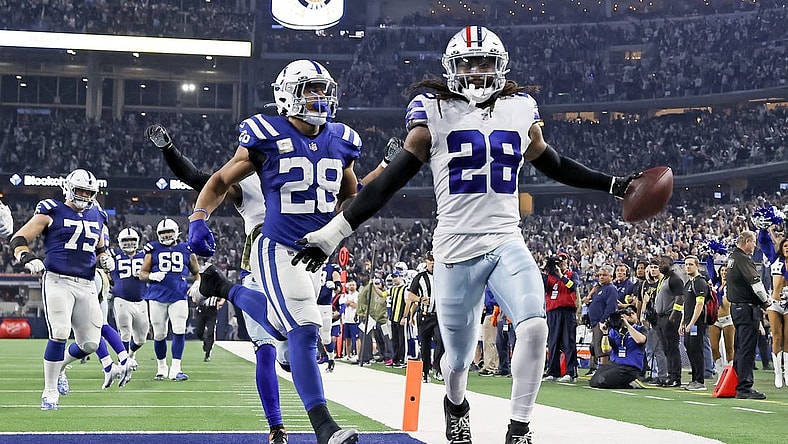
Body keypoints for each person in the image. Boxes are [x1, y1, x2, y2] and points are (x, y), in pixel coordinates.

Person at [291, 26, 645, 443]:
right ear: (452, 68)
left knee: (534, 328)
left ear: (500, 67)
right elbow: (389, 184)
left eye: (485, 63)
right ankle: (456, 404)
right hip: (455, 248)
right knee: (457, 361)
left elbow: (554, 163)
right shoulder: (432, 110)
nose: (477, 72)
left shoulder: (519, 108)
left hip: (504, 239)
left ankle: (519, 427)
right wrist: (333, 234)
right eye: (468, 63)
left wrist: (614, 184)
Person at [187, 59, 360, 444]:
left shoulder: (343, 139)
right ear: (286, 96)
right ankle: (324, 428)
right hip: (277, 245)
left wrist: (335, 232)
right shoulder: (264, 134)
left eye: (322, 88)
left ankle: (224, 287)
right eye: (309, 89)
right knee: (305, 328)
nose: (319, 97)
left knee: (284, 331)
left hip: (315, 251)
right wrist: (199, 217)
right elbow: (219, 179)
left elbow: (352, 196)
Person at [9, 168, 115, 410]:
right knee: (59, 331)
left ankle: (61, 368)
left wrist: (105, 257)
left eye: (89, 192)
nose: (84, 196)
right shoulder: (52, 210)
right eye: (80, 190)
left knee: (90, 343)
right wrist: (26, 257)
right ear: (68, 188)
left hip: (87, 283)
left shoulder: (98, 215)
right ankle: (49, 391)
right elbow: (19, 238)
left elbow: (100, 247)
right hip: (58, 280)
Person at [139, 217, 200, 382]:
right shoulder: (153, 249)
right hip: (157, 296)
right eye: (163, 233)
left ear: (177, 232)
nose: (166, 235)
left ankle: (176, 368)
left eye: (169, 232)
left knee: (179, 329)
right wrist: (151, 275)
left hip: (178, 295)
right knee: (159, 334)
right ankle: (161, 366)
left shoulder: (186, 248)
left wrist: (197, 283)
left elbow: (197, 272)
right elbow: (141, 274)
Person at [726, 230, 770, 399]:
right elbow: (756, 284)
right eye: (753, 242)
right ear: (746, 241)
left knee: (740, 347)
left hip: (736, 308)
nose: (755, 246)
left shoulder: (732, 258)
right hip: (745, 309)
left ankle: (736, 383)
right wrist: (766, 301)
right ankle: (744, 387)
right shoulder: (743, 259)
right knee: (747, 348)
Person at [110, 227, 148, 372]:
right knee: (125, 332)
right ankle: (123, 362)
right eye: (125, 240)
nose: (129, 243)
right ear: (119, 242)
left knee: (141, 339)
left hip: (141, 300)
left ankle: (130, 354)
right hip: (122, 300)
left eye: (132, 240)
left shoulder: (145, 255)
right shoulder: (113, 255)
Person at [756, 225, 788, 387]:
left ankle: (787, 372)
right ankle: (777, 374)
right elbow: (763, 242)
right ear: (781, 248)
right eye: (785, 245)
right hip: (775, 303)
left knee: (787, 338)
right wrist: (764, 228)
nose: (787, 248)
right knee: (776, 336)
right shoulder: (775, 260)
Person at [542, 253, 580, 382]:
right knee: (553, 342)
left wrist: (560, 275)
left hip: (567, 311)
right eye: (559, 260)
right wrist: (545, 270)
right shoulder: (548, 277)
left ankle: (570, 372)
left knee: (568, 341)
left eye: (564, 260)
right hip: (552, 312)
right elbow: (540, 287)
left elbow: (572, 287)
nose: (561, 262)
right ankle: (553, 371)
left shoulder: (571, 275)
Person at [589, 305, 647, 389]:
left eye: (633, 313)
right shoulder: (615, 332)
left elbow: (640, 340)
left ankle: (631, 381)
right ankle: (629, 383)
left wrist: (627, 325)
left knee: (602, 381)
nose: (630, 315)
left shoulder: (640, 329)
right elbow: (606, 350)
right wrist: (605, 333)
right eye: (628, 314)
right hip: (614, 364)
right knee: (594, 381)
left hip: (629, 368)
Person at [408, 251, 443, 383]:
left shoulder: (442, 276)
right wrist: (420, 299)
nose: (433, 263)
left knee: (441, 340)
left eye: (434, 260)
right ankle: (425, 371)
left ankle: (437, 367)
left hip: (438, 316)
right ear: (426, 261)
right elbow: (410, 296)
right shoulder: (420, 277)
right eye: (430, 260)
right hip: (424, 316)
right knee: (425, 345)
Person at [652, 255, 685, 387]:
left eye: (663, 263)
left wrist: (674, 314)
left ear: (670, 264)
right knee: (666, 348)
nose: (660, 265)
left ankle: (675, 377)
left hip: (669, 317)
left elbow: (680, 297)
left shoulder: (674, 278)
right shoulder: (664, 279)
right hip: (660, 317)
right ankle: (670, 375)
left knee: (672, 347)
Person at [679, 255, 710, 391]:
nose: (688, 267)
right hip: (688, 323)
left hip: (697, 323)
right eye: (686, 264)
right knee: (690, 348)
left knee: (696, 350)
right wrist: (682, 323)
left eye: (691, 264)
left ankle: (700, 380)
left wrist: (692, 323)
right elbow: (686, 305)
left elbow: (699, 304)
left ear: (697, 266)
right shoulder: (688, 283)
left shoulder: (700, 282)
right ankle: (694, 379)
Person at [583, 265, 619, 375]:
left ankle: (603, 372)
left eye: (604, 275)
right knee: (596, 347)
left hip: (601, 323)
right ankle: (598, 369)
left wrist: (603, 321)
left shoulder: (611, 289)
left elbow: (611, 306)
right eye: (600, 275)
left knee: (603, 348)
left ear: (611, 276)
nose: (601, 277)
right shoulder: (600, 289)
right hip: (595, 323)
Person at [387, 270, 410, 368]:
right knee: (395, 339)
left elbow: (407, 303)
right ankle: (395, 358)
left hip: (401, 318)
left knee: (402, 340)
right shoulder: (392, 289)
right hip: (393, 318)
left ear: (401, 277)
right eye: (393, 277)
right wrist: (373, 286)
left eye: (396, 276)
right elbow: (383, 294)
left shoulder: (405, 289)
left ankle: (402, 359)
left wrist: (404, 317)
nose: (394, 279)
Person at [194, 294, 224, 362]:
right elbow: (194, 294)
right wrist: (195, 299)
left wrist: (221, 302)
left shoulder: (217, 285)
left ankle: (208, 354)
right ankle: (205, 341)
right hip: (202, 309)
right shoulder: (200, 283)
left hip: (212, 310)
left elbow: (224, 294)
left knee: (211, 332)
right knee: (199, 332)